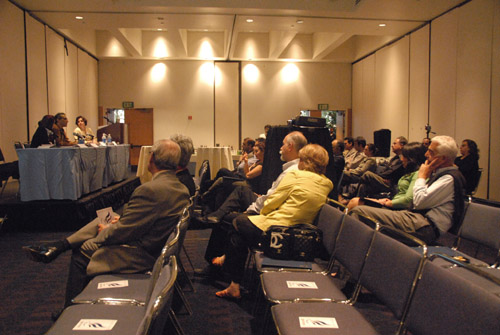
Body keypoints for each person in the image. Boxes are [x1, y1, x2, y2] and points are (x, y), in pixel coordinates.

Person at [23, 139, 190, 307]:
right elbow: (142, 223)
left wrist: (107, 230)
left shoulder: (150, 190)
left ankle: (71, 307)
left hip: (140, 255)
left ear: (151, 158)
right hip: (156, 247)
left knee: (84, 249)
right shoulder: (180, 188)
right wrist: (115, 224)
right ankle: (59, 246)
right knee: (107, 216)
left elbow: (122, 233)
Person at [212, 144, 333, 300]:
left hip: (278, 232)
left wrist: (265, 213)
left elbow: (271, 203)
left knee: (237, 222)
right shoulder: (327, 183)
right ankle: (233, 283)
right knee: (239, 232)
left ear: (305, 161)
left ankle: (231, 275)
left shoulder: (296, 175)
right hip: (299, 234)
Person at [199, 131, 307, 268]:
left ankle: (215, 264)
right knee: (238, 190)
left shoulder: (291, 172)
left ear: (290, 146)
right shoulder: (294, 169)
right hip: (270, 206)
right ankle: (215, 218)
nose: (280, 148)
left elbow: (270, 201)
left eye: (283, 145)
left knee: (229, 216)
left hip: (271, 214)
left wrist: (249, 210)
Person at [350, 135, 466, 245]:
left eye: (430, 152)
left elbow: (418, 201)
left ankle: (352, 256)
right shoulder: (439, 174)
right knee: (359, 209)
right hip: (416, 219)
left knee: (359, 212)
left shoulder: (448, 178)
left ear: (442, 159)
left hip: (425, 227)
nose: (426, 154)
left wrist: (422, 176)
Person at [347, 142, 426, 211]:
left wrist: (390, 202)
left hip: (395, 205)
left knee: (355, 202)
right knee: (358, 196)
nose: (402, 159)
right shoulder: (407, 170)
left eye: (404, 157)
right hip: (391, 198)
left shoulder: (418, 174)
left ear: (412, 159)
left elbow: (408, 200)